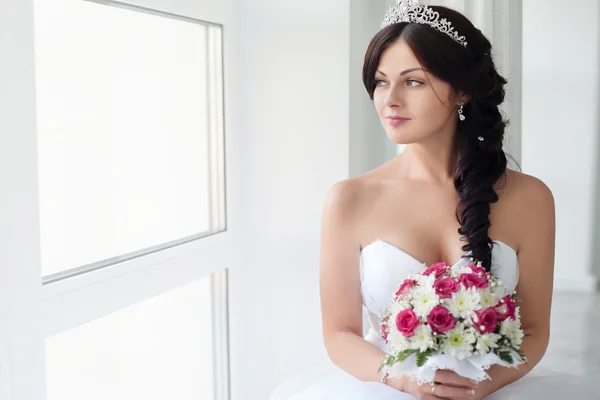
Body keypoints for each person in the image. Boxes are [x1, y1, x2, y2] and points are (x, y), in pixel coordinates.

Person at [270, 1, 598, 399]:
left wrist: (481, 384)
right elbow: (340, 334)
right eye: (380, 81)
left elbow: (534, 331)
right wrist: (404, 378)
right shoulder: (348, 199)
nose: (389, 99)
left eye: (413, 81)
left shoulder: (530, 198)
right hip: (388, 386)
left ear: (461, 90)